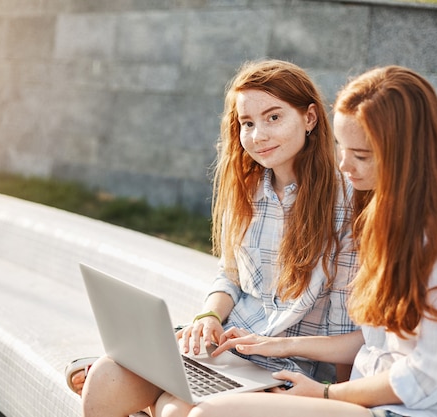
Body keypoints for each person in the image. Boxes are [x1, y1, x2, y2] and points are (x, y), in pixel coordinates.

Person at [182, 65, 437, 417]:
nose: (344, 165)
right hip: (370, 398)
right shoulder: (391, 214)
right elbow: (374, 341)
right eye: (342, 148)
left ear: (408, 152)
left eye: (361, 155)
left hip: (422, 411)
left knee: (206, 414)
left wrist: (326, 395)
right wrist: (279, 346)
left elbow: (430, 380)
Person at [70, 59, 359, 416]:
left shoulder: (347, 203)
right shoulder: (249, 190)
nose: (259, 136)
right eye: (247, 123)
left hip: (291, 370)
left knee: (174, 410)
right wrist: (209, 316)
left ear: (310, 118)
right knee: (105, 380)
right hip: (228, 350)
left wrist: (338, 396)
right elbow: (231, 275)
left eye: (273, 117)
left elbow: (348, 329)